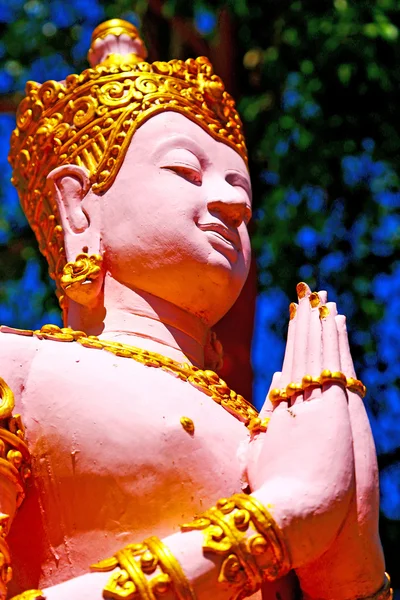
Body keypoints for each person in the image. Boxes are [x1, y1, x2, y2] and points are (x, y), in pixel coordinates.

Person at [0, 18, 389, 600]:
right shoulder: (18, 368)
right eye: (185, 171)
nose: (233, 201)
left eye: (243, 189)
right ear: (78, 207)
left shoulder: (263, 430)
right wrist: (276, 523)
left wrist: (350, 548)